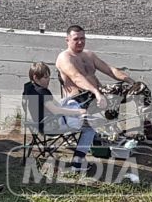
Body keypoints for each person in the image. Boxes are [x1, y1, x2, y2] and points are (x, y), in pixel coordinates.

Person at [55, 26, 128, 162]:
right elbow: (77, 77)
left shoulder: (88, 55)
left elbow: (110, 70)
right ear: (67, 40)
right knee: (90, 126)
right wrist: (96, 92)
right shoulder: (64, 57)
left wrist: (129, 80)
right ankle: (79, 160)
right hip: (78, 101)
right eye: (76, 39)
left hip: (96, 97)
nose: (80, 42)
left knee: (138, 89)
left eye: (82, 38)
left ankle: (149, 133)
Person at [22, 60, 87, 146]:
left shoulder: (28, 87)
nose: (48, 80)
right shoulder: (42, 92)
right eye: (45, 78)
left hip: (34, 123)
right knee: (87, 126)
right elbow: (55, 111)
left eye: (49, 77)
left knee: (68, 102)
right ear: (35, 77)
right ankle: (80, 154)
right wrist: (78, 112)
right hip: (50, 126)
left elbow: (25, 105)